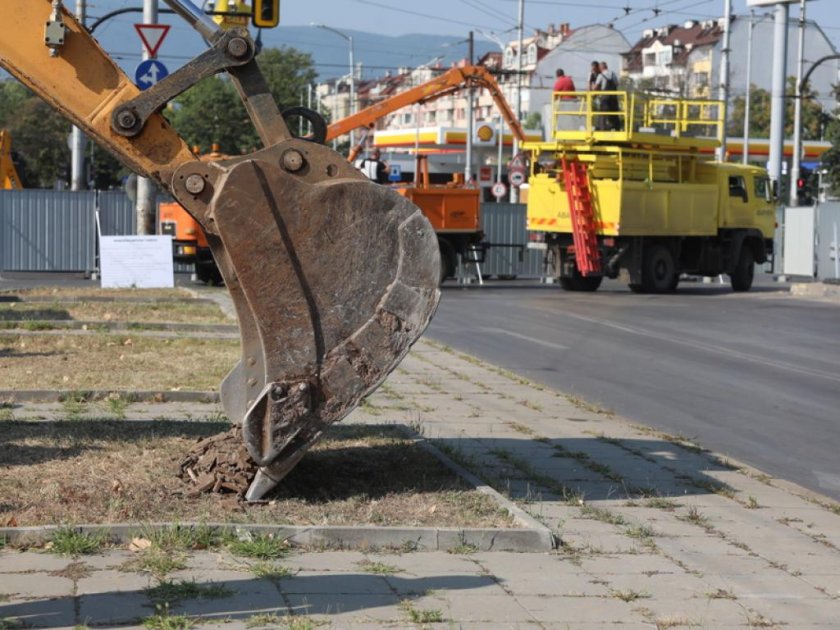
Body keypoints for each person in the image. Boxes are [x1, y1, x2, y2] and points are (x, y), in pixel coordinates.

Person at [595, 61, 621, 131]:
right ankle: (616, 128)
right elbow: (617, 84)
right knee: (614, 113)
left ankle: (602, 128)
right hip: (613, 97)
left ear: (601, 67)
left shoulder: (601, 75)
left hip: (605, 97)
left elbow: (596, 86)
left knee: (603, 113)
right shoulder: (613, 74)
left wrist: (595, 93)